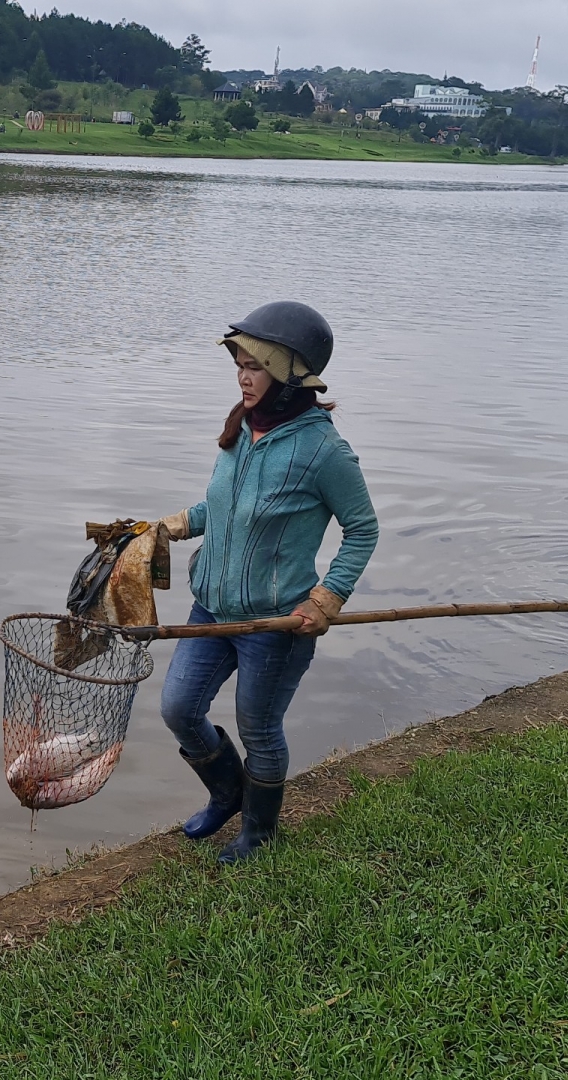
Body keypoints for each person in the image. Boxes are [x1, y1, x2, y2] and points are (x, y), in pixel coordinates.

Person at [154, 302, 378, 864]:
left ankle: (261, 832)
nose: (243, 375)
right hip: (211, 609)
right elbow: (223, 506)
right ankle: (227, 792)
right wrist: (172, 526)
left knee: (259, 727)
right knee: (179, 708)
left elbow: (363, 529)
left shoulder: (324, 452)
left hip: (276, 622)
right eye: (240, 362)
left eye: (256, 365)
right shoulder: (241, 428)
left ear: (291, 373)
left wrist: (326, 598)